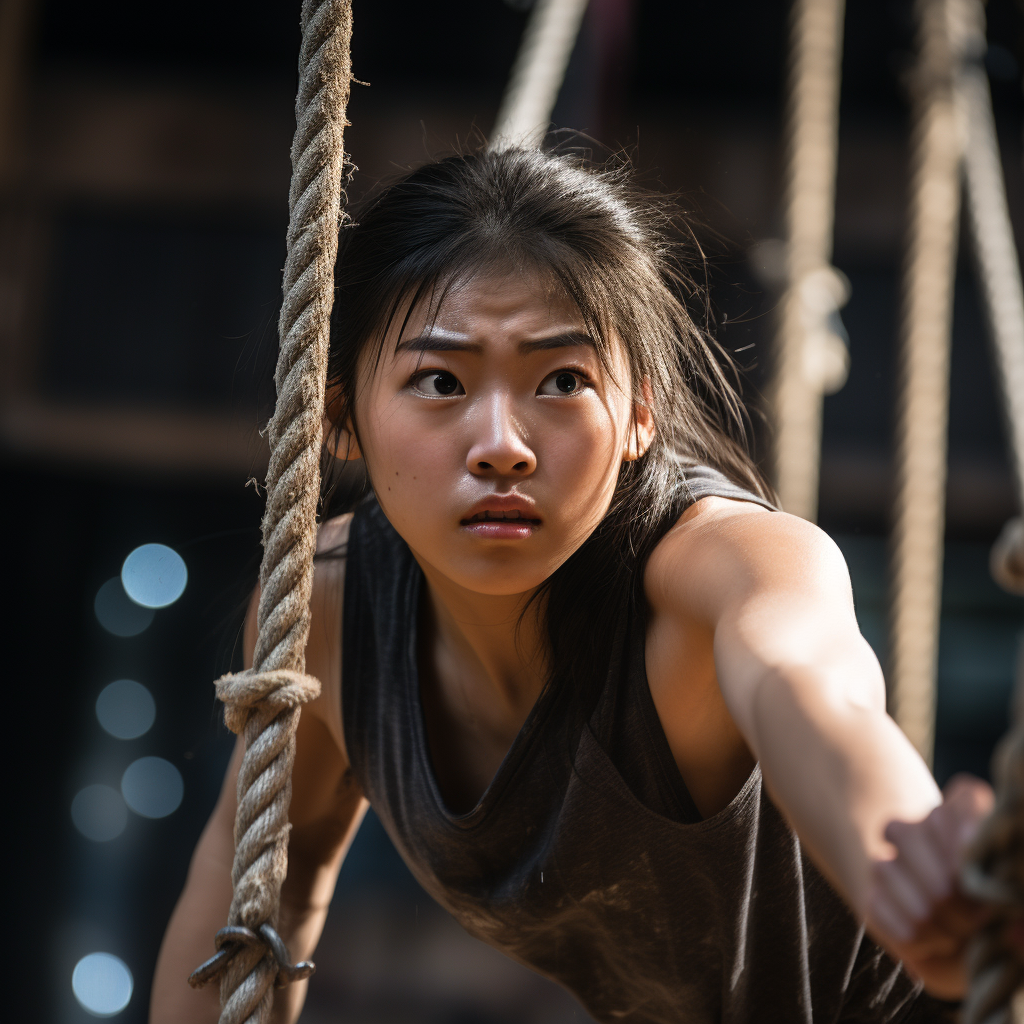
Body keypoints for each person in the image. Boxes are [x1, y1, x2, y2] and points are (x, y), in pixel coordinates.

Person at [151, 146, 994, 1024]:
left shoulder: (725, 571)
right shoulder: (324, 614)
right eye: (439, 381)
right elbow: (260, 897)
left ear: (639, 415)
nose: (502, 444)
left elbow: (813, 695)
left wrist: (910, 864)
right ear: (340, 421)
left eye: (563, 380)